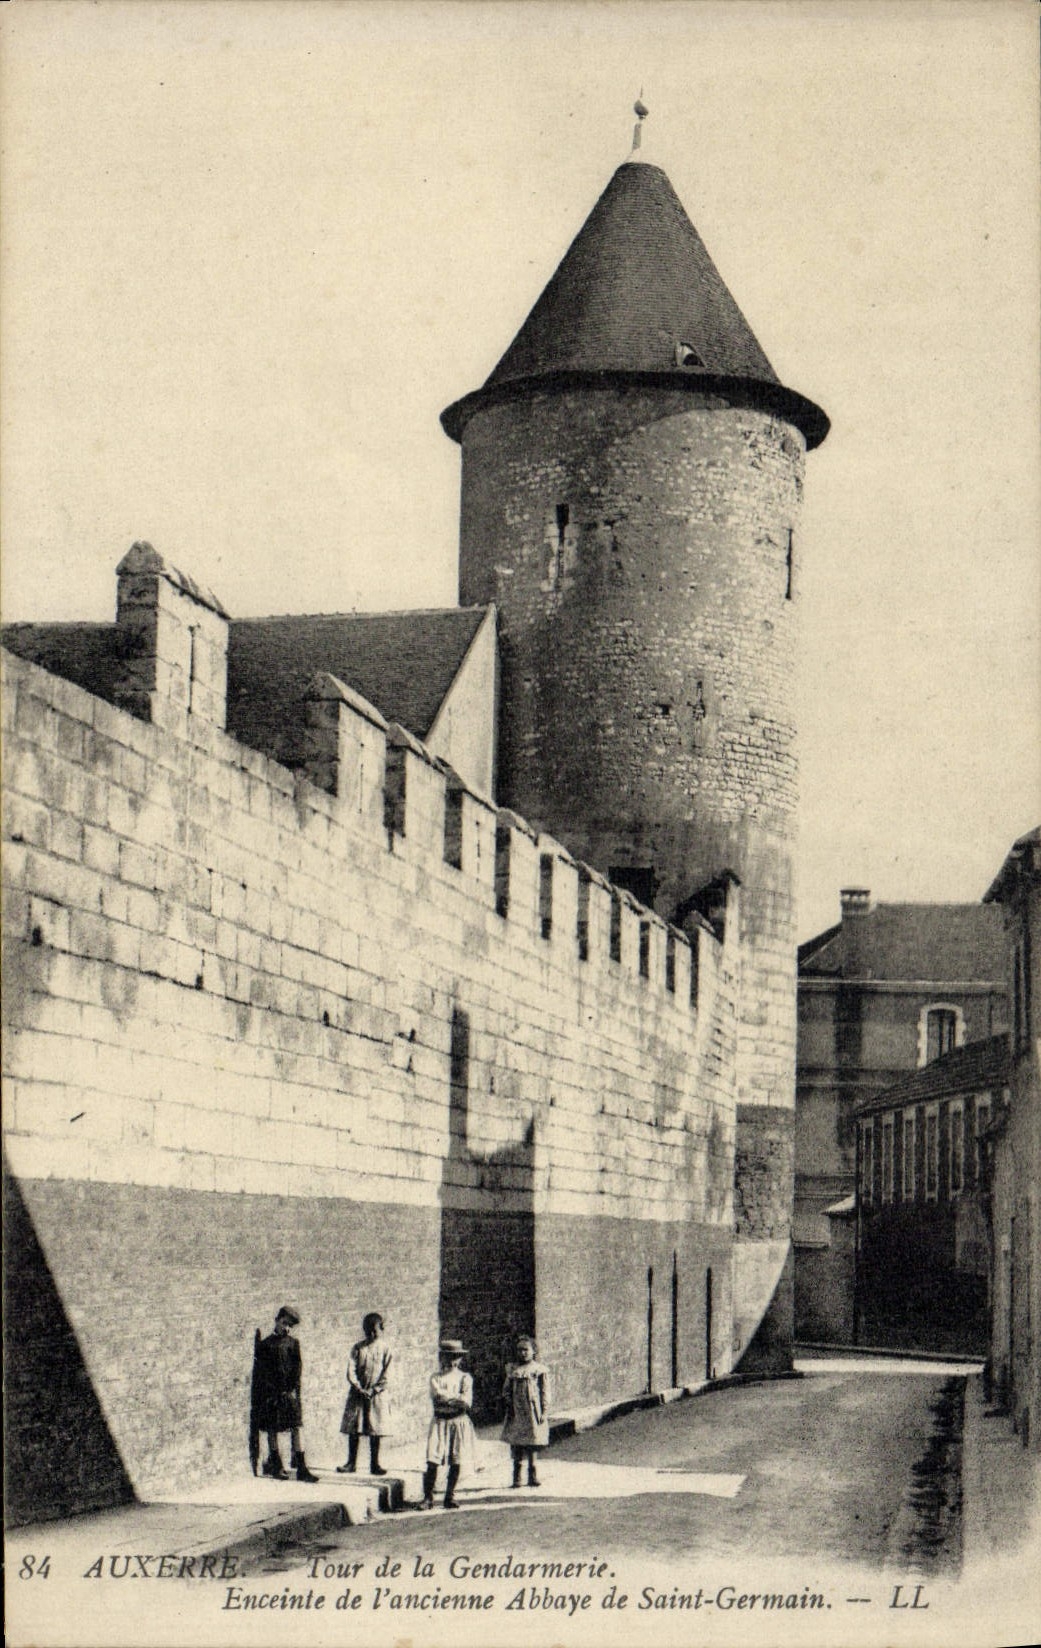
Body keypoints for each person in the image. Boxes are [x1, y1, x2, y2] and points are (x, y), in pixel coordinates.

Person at [250, 1306, 318, 1483]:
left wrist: (291, 1390)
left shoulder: (293, 1343)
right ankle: (276, 1465)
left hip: (289, 1394)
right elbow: (262, 1373)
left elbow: (297, 1368)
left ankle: (302, 1467)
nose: (287, 1328)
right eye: (285, 1323)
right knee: (272, 1429)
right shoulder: (265, 1345)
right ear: (277, 1320)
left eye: (290, 1326)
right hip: (272, 1395)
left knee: (297, 1427)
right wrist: (272, 1391)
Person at [420, 1339, 475, 1510]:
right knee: (433, 1459)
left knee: (456, 1459)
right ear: (442, 1358)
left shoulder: (465, 1378)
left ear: (460, 1359)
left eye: (456, 1357)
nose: (452, 1361)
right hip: (440, 1421)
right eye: (448, 1357)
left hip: (458, 1422)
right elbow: (437, 1396)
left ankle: (449, 1496)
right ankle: (428, 1497)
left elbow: (466, 1402)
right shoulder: (435, 1378)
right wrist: (455, 1398)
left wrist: (450, 1399)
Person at [337, 1312, 392, 1475]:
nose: (372, 1334)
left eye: (375, 1330)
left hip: (376, 1395)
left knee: (375, 1429)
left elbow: (388, 1373)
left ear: (382, 1329)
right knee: (355, 1428)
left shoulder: (385, 1349)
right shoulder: (358, 1348)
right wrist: (358, 1388)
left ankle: (375, 1464)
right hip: (358, 1394)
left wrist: (374, 1389)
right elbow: (351, 1370)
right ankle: (351, 1463)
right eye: (369, 1331)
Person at [502, 1334, 550, 1488]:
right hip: (516, 1411)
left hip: (532, 1411)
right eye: (519, 1350)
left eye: (526, 1350)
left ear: (533, 1351)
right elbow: (506, 1389)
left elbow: (544, 1391)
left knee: (532, 1442)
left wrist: (544, 1410)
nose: (522, 1353)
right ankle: (517, 1477)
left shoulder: (539, 1370)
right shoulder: (513, 1370)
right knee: (516, 1443)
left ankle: (532, 1474)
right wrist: (509, 1403)